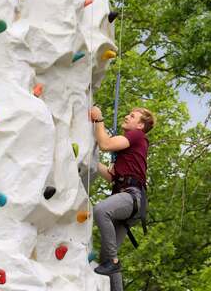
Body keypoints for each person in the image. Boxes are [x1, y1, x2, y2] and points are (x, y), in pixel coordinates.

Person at [90, 106, 155, 291]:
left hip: (132, 196)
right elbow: (111, 177)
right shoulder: (129, 150)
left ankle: (113, 260)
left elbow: (106, 144)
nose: (127, 116)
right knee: (105, 260)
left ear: (140, 125)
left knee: (101, 210)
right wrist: (91, 162)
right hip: (130, 202)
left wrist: (99, 119)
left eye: (132, 116)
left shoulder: (137, 136)